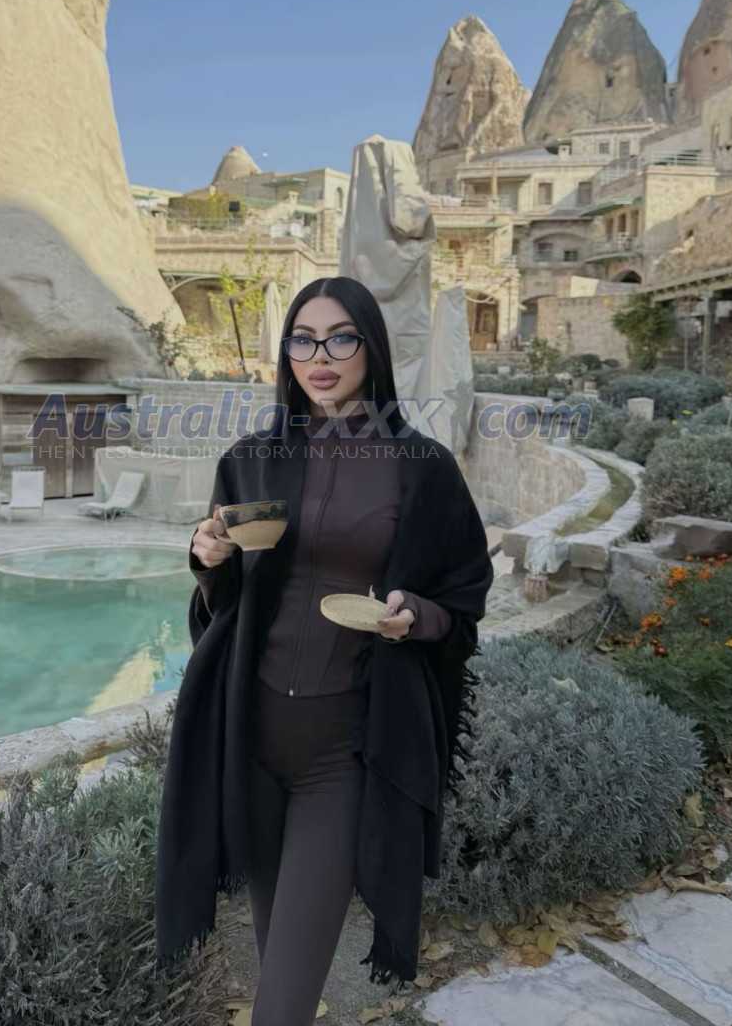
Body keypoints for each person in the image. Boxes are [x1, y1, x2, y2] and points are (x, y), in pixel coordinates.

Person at [155, 276, 493, 1026]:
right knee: (281, 966)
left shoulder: (422, 467)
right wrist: (208, 559)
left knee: (280, 1003)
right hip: (249, 737)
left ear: (371, 348)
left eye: (341, 337)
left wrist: (416, 617)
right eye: (303, 340)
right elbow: (227, 603)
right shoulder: (252, 458)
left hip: (343, 752)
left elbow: (465, 594)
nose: (321, 357)